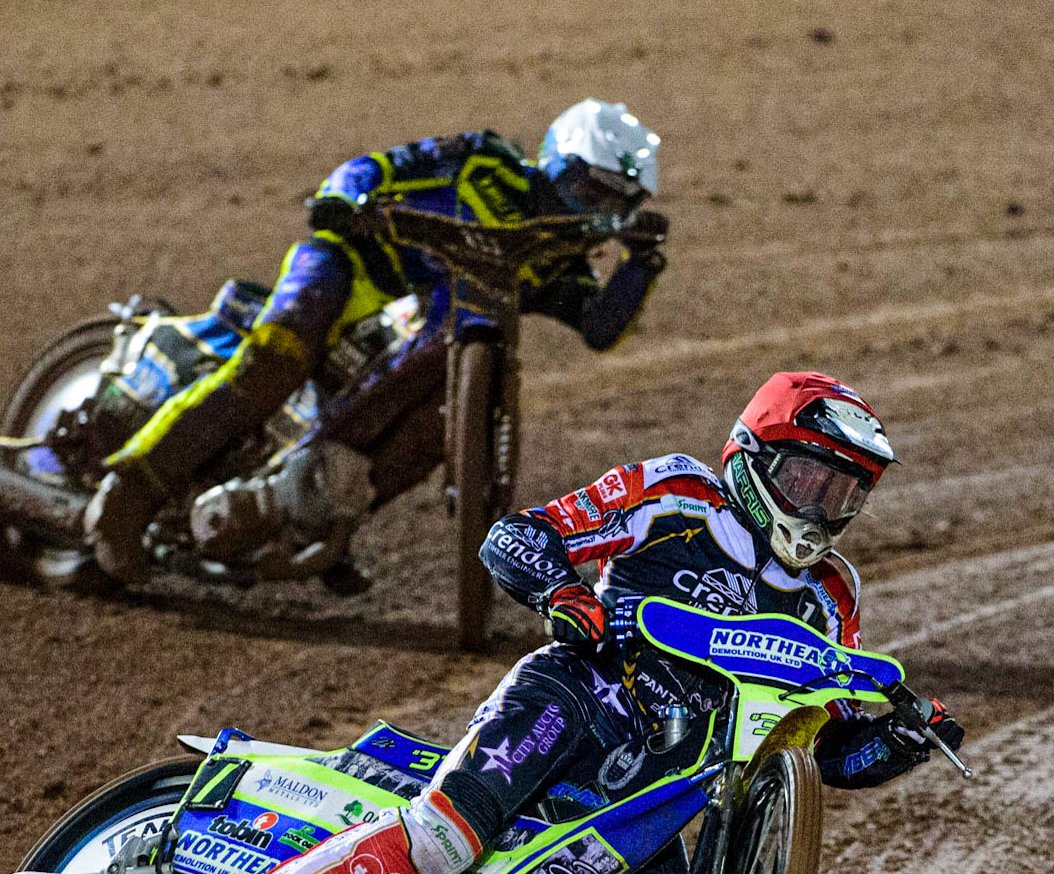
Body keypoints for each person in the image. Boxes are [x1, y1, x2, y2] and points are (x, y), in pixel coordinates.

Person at [168, 371, 965, 874]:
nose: (822, 507)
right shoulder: (676, 492)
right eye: (807, 479)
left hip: (659, 792)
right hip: (575, 701)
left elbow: (818, 747)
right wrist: (561, 591)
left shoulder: (833, 593)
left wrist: (895, 743)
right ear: (752, 457)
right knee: (445, 840)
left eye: (844, 492)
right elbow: (518, 533)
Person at [83, 99, 671, 582]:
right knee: (279, 354)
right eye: (587, 190)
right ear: (556, 162)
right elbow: (381, 167)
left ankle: (318, 527)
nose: (591, 212)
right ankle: (125, 493)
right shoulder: (484, 159)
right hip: (349, 270)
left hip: (431, 330)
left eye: (613, 205)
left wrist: (642, 262)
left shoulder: (555, 261)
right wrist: (343, 202)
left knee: (436, 431)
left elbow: (599, 327)